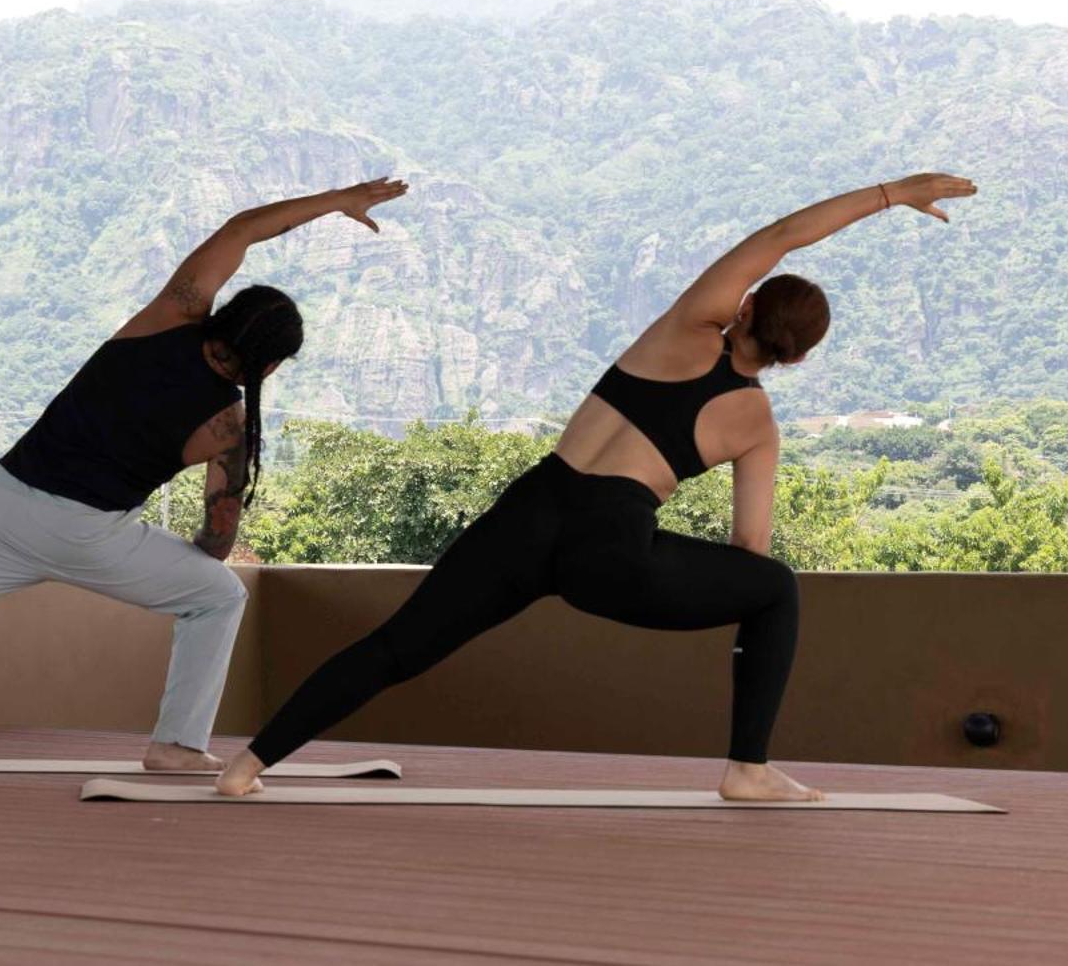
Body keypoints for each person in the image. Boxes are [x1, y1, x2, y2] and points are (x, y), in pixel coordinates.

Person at [216, 173, 976, 799]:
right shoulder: (755, 425)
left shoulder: (687, 325)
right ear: (797, 359)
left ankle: (250, 766)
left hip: (529, 511)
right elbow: (749, 549)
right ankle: (747, 767)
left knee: (395, 647)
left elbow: (780, 236)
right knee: (773, 587)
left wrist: (891, 193)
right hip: (615, 551)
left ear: (744, 309)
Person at [0, 176, 410, 772]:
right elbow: (215, 538)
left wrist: (336, 201)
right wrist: (167, 546)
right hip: (88, 534)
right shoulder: (228, 428)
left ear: (226, 312)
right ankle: (176, 744)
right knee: (218, 594)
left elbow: (241, 229)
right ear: (270, 366)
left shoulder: (172, 313)